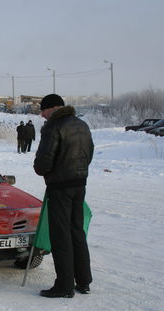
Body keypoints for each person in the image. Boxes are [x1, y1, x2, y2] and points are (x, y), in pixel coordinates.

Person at [33, 94, 94, 298]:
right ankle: (83, 281)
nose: (42, 114)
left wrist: (47, 171)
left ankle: (64, 286)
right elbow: (89, 155)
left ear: (53, 108)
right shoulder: (81, 125)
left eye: (43, 110)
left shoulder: (53, 126)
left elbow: (42, 163)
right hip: (79, 184)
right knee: (77, 232)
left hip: (59, 187)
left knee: (60, 236)